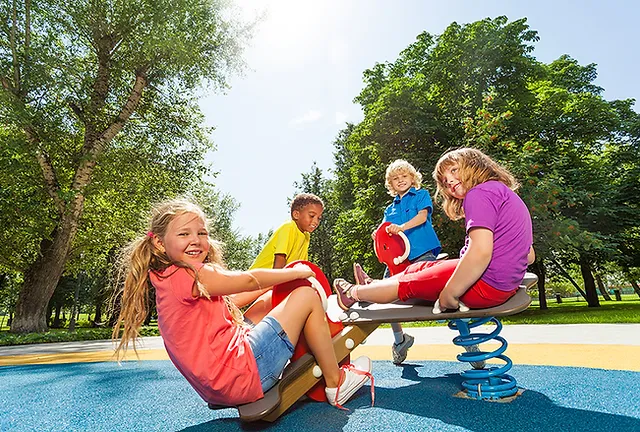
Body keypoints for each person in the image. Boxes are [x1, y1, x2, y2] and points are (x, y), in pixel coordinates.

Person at [112, 199, 372, 409]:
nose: (196, 240)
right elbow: (249, 280)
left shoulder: (166, 276)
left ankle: (300, 352)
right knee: (305, 295)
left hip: (218, 388)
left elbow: (232, 301)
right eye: (184, 234)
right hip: (243, 376)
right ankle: (336, 382)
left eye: (201, 233)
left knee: (268, 300)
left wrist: (274, 286)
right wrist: (296, 273)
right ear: (158, 242)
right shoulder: (191, 274)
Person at [336, 147, 535, 327]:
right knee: (418, 268)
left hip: (485, 284)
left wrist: (451, 292)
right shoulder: (505, 194)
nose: (448, 180)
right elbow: (529, 256)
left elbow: (481, 252)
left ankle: (352, 293)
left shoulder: (478, 194)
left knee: (410, 282)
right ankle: (373, 285)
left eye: (454, 170)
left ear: (475, 165)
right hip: (502, 285)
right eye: (444, 181)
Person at [354, 159, 441, 365]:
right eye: (395, 178)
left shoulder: (421, 196)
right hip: (397, 260)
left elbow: (421, 218)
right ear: (390, 184)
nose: (400, 180)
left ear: (413, 178)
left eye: (404, 176)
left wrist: (401, 227)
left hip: (422, 254)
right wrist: (379, 233)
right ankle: (400, 340)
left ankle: (469, 341)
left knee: (440, 293)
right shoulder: (390, 209)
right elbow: (385, 230)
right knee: (385, 299)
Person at [231, 193, 324, 324]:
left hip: (277, 279)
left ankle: (246, 325)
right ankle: (222, 308)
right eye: (312, 216)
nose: (316, 221)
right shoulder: (289, 227)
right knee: (238, 299)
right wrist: (279, 280)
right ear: (296, 215)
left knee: (272, 298)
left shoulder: (306, 237)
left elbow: (300, 265)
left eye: (319, 218)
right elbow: (280, 257)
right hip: (262, 275)